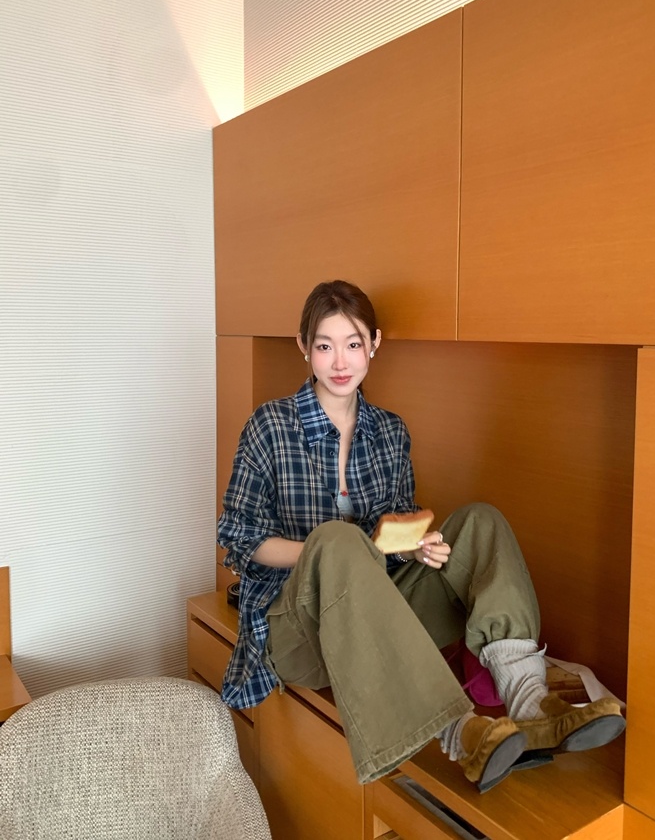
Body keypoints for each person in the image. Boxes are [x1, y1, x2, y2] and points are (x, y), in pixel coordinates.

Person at [217, 279, 625, 792]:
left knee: (481, 522)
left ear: (374, 344)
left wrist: (416, 547)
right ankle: (461, 732)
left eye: (353, 343)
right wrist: (338, 551)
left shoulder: (390, 432)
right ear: (304, 347)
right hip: (297, 632)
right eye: (324, 346)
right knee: (337, 540)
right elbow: (241, 538)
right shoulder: (270, 426)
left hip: (375, 613)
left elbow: (394, 538)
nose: (340, 362)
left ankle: (531, 704)